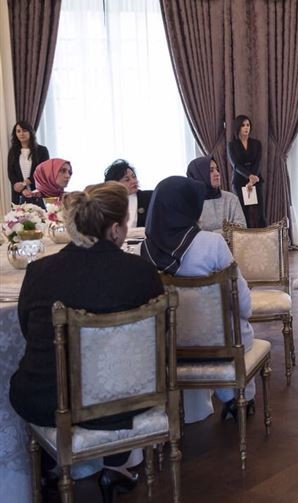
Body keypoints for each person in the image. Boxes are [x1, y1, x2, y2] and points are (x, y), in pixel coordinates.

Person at [9, 182, 164, 499]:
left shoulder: (39, 271)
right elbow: (154, 341)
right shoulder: (142, 273)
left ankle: (50, 470)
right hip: (124, 399)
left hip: (49, 401)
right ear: (116, 230)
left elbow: (29, 332)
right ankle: (116, 465)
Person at [141, 176, 256, 421]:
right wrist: (247, 315)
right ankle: (237, 397)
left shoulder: (145, 249)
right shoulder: (211, 244)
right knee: (237, 325)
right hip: (220, 342)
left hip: (172, 343)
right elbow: (241, 299)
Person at [186, 156, 246, 232]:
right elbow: (188, 234)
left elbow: (241, 229)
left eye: (217, 169)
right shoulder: (188, 203)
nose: (217, 173)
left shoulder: (231, 199)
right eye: (211, 170)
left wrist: (209, 233)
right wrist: (224, 231)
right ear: (198, 174)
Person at [227, 114, 267, 228]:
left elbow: (258, 162)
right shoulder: (232, 145)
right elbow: (235, 165)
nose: (246, 128)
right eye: (243, 125)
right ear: (238, 127)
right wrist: (249, 176)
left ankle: (263, 236)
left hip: (256, 180)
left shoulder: (257, 143)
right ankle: (246, 237)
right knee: (243, 214)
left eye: (248, 125)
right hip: (239, 181)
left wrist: (252, 180)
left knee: (260, 214)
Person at [7, 120, 50, 205]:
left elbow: (43, 172)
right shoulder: (12, 151)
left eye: (24, 130)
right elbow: (11, 173)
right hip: (19, 195)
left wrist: (24, 183)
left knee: (39, 213)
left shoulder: (42, 150)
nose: (21, 133)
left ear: (30, 132)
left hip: (37, 193)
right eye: (18, 131)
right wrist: (23, 189)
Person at [103, 159, 153, 230]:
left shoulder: (149, 197)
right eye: (127, 180)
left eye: (134, 177)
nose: (134, 181)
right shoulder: (107, 203)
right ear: (115, 184)